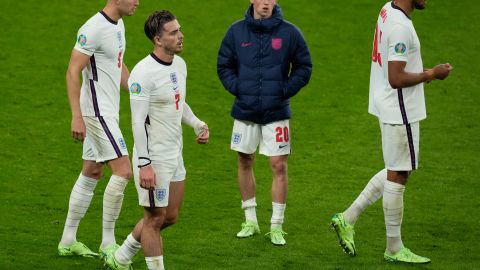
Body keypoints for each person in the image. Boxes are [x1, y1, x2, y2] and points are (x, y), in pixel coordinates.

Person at [331, 0, 453, 264]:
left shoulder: (388, 8)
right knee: (398, 174)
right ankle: (394, 248)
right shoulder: (399, 26)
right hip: (400, 109)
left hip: (387, 104)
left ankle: (347, 218)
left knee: (397, 168)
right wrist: (432, 73)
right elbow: (396, 77)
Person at [104, 10, 209, 270]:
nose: (180, 36)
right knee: (153, 220)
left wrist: (196, 123)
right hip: (154, 157)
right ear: (158, 40)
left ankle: (120, 258)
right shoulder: (143, 73)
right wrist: (144, 163)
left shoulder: (179, 65)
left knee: (169, 216)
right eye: (173, 33)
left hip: (176, 153)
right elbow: (137, 122)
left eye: (179, 30)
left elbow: (177, 102)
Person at [217, 0, 312, 246]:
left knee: (278, 165)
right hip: (245, 109)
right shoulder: (235, 31)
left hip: (277, 110)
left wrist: (284, 90)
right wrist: (239, 88)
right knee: (244, 159)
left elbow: (304, 67)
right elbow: (224, 65)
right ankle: (250, 221)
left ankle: (277, 226)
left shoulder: (290, 33)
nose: (267, 2)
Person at [57, 0, 139, 259]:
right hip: (96, 112)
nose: (138, 1)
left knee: (92, 170)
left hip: (107, 110)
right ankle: (108, 244)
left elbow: (117, 64)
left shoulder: (119, 24)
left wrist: (139, 91)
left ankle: (68, 240)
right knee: (124, 171)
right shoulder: (93, 28)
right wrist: (76, 116)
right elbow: (72, 71)